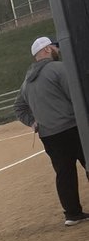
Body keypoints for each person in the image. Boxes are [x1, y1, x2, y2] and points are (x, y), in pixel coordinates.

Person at [14, 36, 88, 226]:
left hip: (49, 135)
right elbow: (76, 95)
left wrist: (32, 122)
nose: (57, 49)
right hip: (72, 127)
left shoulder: (26, 81)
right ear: (46, 50)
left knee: (64, 174)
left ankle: (72, 213)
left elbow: (19, 108)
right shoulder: (59, 69)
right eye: (54, 47)